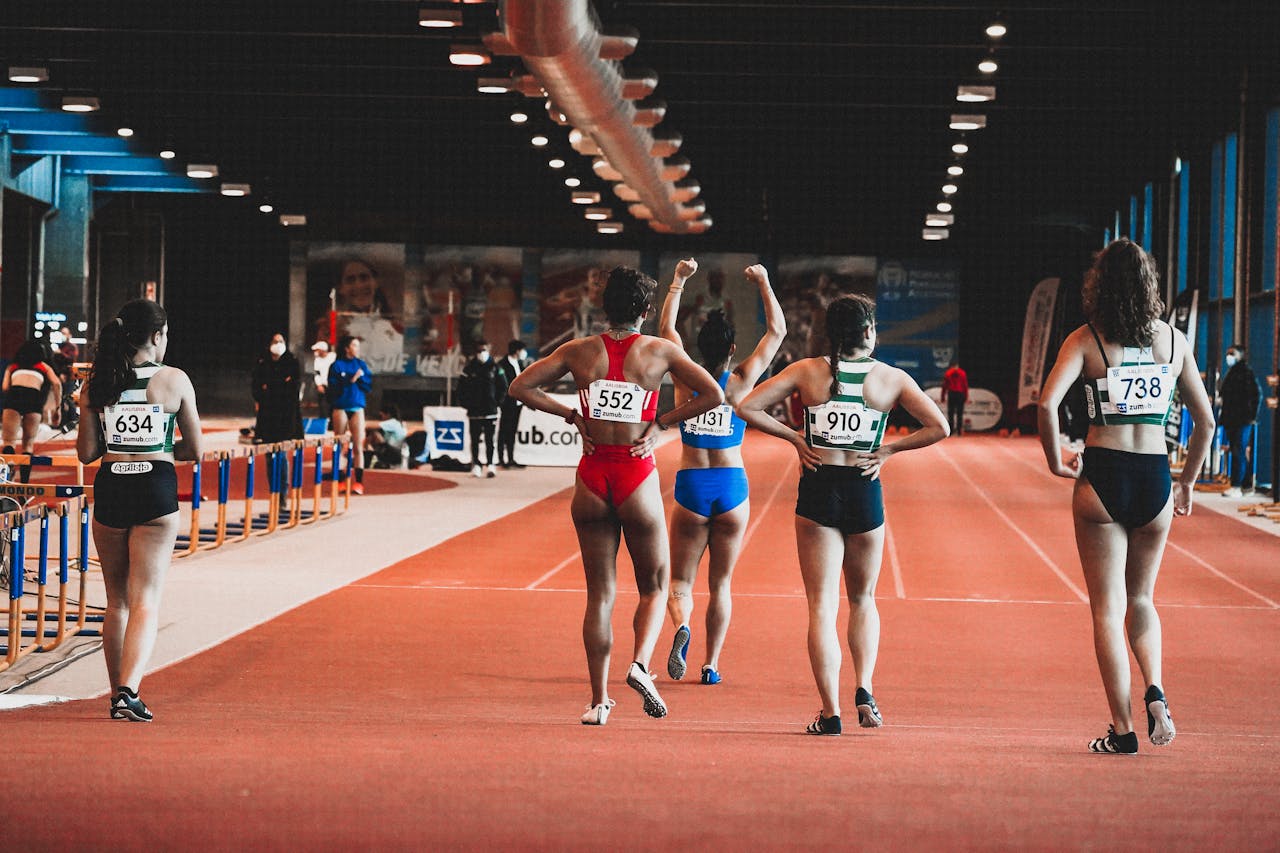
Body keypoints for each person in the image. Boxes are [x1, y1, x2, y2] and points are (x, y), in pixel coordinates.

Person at [508, 266, 723, 726]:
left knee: (599, 595)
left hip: (591, 475)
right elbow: (714, 393)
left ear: (606, 309)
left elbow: (520, 387)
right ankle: (640, 665)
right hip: (635, 474)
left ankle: (597, 700)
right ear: (645, 311)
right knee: (654, 586)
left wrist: (572, 415)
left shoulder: (579, 351)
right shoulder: (660, 351)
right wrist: (662, 422)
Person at [737, 294, 949, 736]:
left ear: (832, 334)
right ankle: (865, 690)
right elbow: (940, 427)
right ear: (869, 331)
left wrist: (796, 439)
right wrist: (888, 450)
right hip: (864, 490)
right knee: (863, 600)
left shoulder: (806, 371)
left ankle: (830, 712)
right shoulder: (890, 378)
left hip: (818, 487)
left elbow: (746, 406)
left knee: (821, 606)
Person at [1037, 238, 1214, 754]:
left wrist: (1054, 460)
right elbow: (1205, 420)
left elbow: (1047, 404)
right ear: (1150, 285)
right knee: (1142, 599)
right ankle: (1155, 688)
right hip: (1155, 477)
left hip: (1103, 476)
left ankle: (1122, 728)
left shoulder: (1087, 339)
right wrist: (1187, 482)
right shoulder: (1175, 342)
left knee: (1105, 608)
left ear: (1100, 286)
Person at [659, 259, 786, 685]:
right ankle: (711, 664)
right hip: (732, 488)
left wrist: (678, 281)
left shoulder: (685, 376)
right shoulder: (742, 380)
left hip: (691, 486)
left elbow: (666, 332)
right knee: (722, 583)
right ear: (732, 351)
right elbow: (777, 334)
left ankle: (682, 626)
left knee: (680, 579)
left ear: (698, 347)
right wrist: (764, 283)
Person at [76, 299, 202, 721]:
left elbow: (87, 452)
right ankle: (129, 691)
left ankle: (116, 693)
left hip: (112, 486)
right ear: (157, 336)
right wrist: (163, 448)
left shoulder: (98, 383)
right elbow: (195, 450)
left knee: (116, 600)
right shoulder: (174, 380)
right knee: (145, 598)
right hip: (155, 486)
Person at [2, 339, 63, 478]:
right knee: (28, 445)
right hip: (33, 398)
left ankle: (6, 480)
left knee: (9, 442)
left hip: (14, 396)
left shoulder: (13, 366)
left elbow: (5, 387)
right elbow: (57, 384)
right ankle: (24, 486)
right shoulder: (43, 366)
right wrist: (57, 409)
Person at [328, 335, 372, 495]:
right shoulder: (337, 365)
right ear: (347, 348)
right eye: (354, 345)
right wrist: (349, 380)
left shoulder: (361, 365)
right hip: (340, 406)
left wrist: (359, 379)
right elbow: (332, 387)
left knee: (359, 446)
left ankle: (359, 483)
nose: (357, 348)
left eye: (358, 346)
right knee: (338, 444)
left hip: (357, 406)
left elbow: (368, 385)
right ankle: (340, 481)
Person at [1217, 343, 1261, 497]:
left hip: (1242, 419)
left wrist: (1251, 417)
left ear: (1240, 355)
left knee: (1238, 451)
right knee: (1238, 451)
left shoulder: (1245, 373)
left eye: (1232, 353)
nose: (1229, 356)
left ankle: (1236, 485)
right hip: (1231, 418)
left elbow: (1256, 395)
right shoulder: (1232, 372)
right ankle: (1246, 485)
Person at [459, 340, 505, 478]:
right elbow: (461, 389)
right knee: (474, 440)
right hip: (474, 412)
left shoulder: (496, 368)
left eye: (483, 350)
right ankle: (476, 465)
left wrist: (497, 403)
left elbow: (503, 387)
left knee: (490, 440)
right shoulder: (469, 369)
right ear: (475, 352)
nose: (481, 353)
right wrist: (466, 404)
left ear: (488, 350)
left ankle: (491, 464)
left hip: (490, 411)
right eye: (479, 351)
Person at [251, 333, 303, 444]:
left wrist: (271, 385)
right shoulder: (263, 362)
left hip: (286, 409)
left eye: (281, 341)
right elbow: (257, 384)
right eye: (275, 342)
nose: (278, 344)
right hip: (268, 409)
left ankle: (282, 461)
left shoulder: (292, 361)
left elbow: (293, 385)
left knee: (284, 442)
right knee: (268, 444)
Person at [495, 340, 530, 469]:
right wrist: (501, 400)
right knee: (504, 430)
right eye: (522, 350)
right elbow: (500, 384)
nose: (524, 353)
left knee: (512, 431)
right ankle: (500, 458)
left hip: (518, 403)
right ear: (517, 351)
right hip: (507, 402)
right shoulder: (502, 364)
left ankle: (510, 458)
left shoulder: (520, 364)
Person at [365, 402, 408, 468]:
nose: (381, 419)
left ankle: (366, 455)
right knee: (375, 434)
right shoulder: (398, 423)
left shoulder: (392, 422)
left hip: (395, 453)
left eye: (382, 416)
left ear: (388, 415)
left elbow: (368, 426)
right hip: (398, 452)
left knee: (374, 433)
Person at [941, 359, 969, 435]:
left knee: (951, 413)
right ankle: (959, 432)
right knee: (960, 413)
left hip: (952, 394)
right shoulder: (962, 373)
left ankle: (951, 431)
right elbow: (965, 386)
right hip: (960, 394)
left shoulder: (948, 373)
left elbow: (944, 386)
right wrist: (966, 396)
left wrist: (943, 396)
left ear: (951, 366)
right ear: (957, 366)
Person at [310, 340, 336, 423]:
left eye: (317, 350)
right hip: (323, 385)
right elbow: (316, 374)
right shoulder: (317, 360)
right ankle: (322, 422)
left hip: (333, 385)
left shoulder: (333, 357)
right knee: (322, 406)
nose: (316, 352)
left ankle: (332, 423)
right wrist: (319, 385)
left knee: (333, 405)